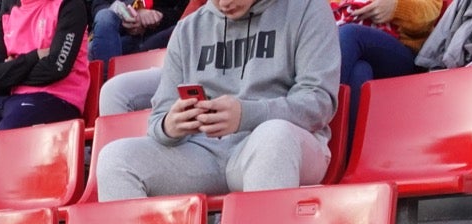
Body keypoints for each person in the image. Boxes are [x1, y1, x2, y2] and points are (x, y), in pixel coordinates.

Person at [95, 0, 339, 200]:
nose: (224, 3)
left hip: (283, 145)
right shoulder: (189, 28)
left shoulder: (307, 8)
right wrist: (170, 125)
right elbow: (158, 120)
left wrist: (246, 114)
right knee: (115, 158)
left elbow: (319, 101)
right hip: (204, 152)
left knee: (273, 137)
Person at [0, 0, 91, 138]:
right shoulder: (7, 18)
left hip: (58, 98)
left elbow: (56, 68)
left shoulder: (69, 5)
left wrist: (10, 70)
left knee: (9, 131)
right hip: (10, 98)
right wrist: (34, 57)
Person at [331, 0, 445, 123]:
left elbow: (431, 12)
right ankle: (336, 138)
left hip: (400, 52)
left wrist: (396, 7)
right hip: (346, 48)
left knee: (350, 34)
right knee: (360, 72)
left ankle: (317, 111)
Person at [90, 0, 192, 61]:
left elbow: (184, 11)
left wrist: (157, 16)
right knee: (104, 16)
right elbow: (99, 6)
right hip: (119, 37)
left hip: (159, 35)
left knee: (184, 29)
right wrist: (129, 14)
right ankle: (106, 84)